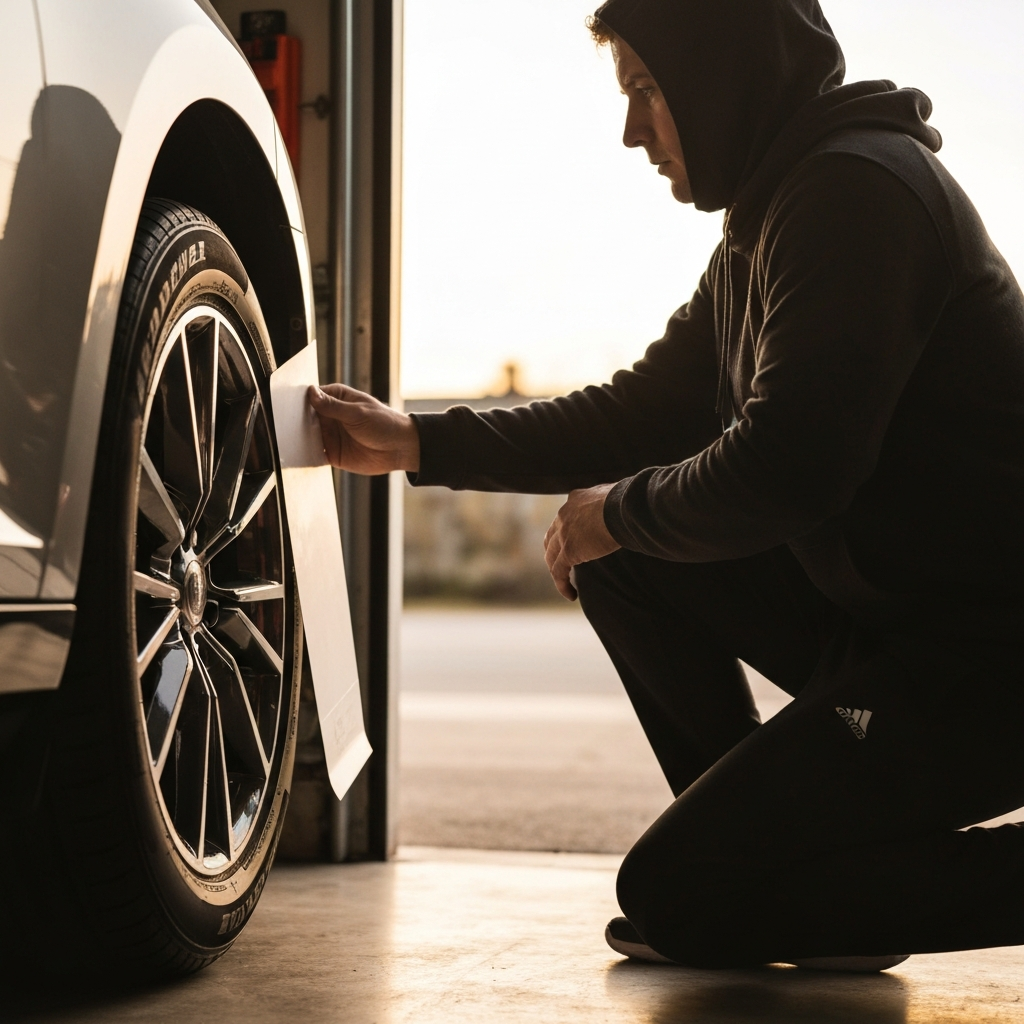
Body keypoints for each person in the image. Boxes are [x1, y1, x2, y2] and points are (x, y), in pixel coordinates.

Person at [309, 0, 1024, 972]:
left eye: (647, 91)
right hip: (890, 630)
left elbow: (790, 469)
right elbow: (644, 408)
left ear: (723, 74)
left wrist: (621, 510)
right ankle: (795, 876)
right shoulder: (770, 216)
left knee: (675, 894)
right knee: (619, 558)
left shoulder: (858, 193)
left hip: (979, 668)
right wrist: (416, 443)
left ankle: (776, 883)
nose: (632, 129)